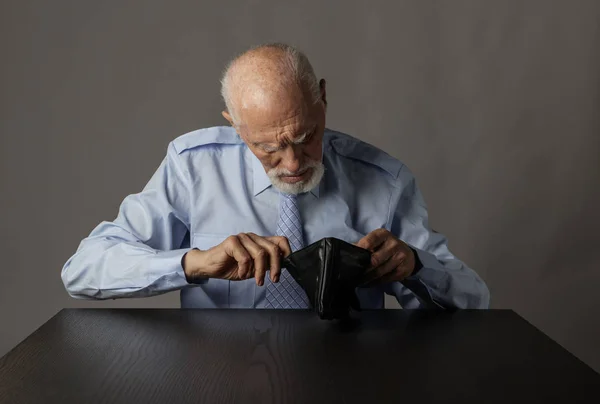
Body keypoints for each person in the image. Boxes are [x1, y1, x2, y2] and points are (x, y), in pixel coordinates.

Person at [61, 43, 490, 310]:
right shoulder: (193, 166)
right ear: (234, 124)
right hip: (215, 376)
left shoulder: (385, 180)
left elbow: (474, 298)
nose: (292, 163)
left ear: (323, 98)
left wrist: (415, 266)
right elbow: (82, 270)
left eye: (307, 136)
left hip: (348, 376)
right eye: (267, 146)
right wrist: (195, 262)